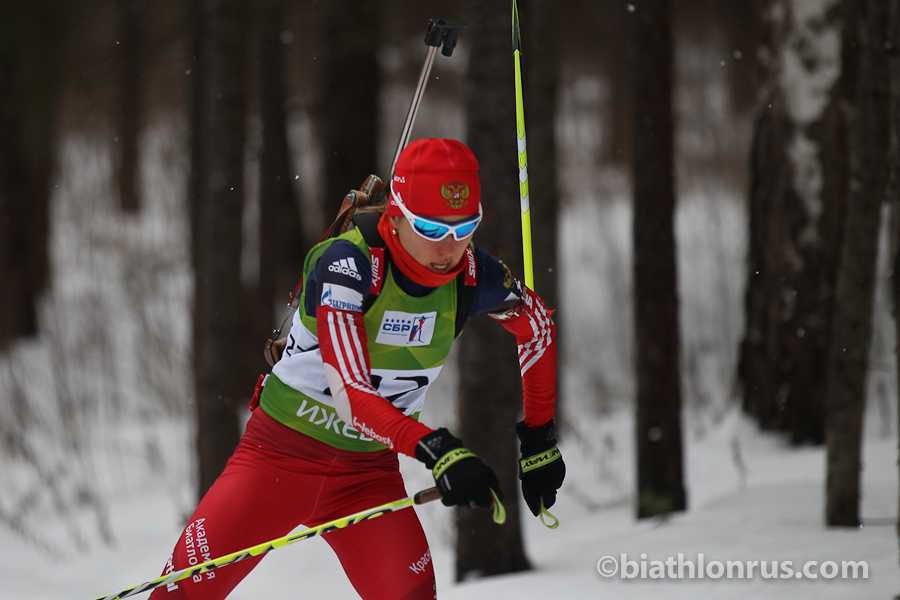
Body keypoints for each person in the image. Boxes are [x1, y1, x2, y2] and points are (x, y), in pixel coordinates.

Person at [150, 138, 565, 600]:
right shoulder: (349, 265)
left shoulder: (473, 275)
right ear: (397, 213)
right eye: (430, 228)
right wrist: (436, 448)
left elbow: (538, 327)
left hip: (367, 478)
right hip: (277, 459)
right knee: (177, 597)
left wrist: (539, 437)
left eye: (465, 226)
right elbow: (351, 393)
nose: (448, 247)